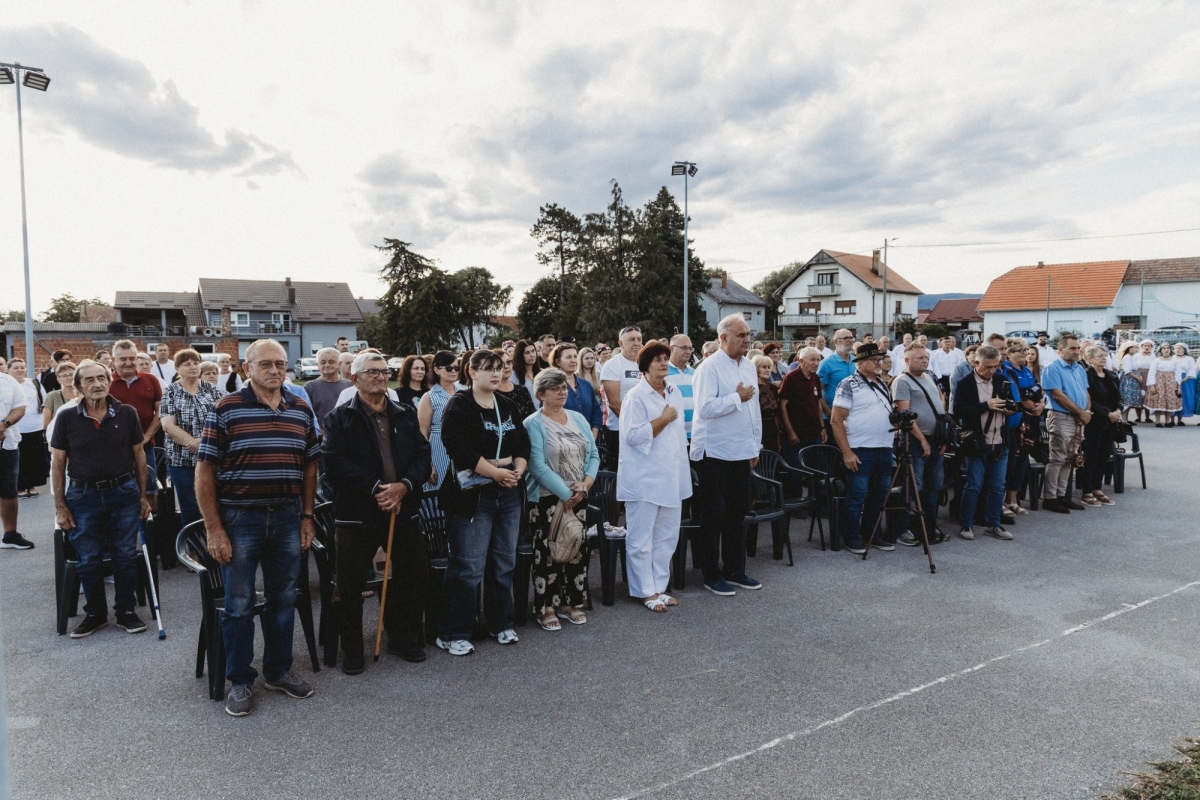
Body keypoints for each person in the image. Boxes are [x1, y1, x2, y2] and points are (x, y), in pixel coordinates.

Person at [196, 339, 320, 716]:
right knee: (239, 604)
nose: (274, 370)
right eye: (265, 364)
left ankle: (278, 670)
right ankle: (241, 680)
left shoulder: (300, 409)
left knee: (284, 599)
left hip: (286, 517)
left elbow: (310, 466)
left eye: (280, 364)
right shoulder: (227, 408)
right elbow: (204, 472)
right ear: (246, 367)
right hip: (240, 519)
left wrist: (307, 515)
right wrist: (214, 529)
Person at [322, 352, 432, 672]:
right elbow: (336, 464)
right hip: (357, 514)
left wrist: (404, 486)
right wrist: (377, 489)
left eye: (386, 372)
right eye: (373, 372)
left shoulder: (404, 413)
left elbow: (422, 458)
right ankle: (353, 650)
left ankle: (404, 638)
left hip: (403, 508)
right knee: (351, 584)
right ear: (354, 379)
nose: (381, 377)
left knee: (412, 576)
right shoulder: (339, 418)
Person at [436, 349, 530, 657]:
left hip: (508, 493)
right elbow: (457, 447)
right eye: (487, 368)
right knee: (468, 566)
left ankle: (499, 622)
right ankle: (453, 632)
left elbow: (522, 444)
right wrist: (496, 473)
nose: (495, 373)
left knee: (504, 562)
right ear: (471, 372)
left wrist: (516, 471)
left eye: (499, 367)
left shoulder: (508, 404)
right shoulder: (459, 405)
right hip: (472, 496)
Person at [50, 359, 152, 636]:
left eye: (102, 378)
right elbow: (58, 464)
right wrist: (61, 505)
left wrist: (143, 496)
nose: (97, 384)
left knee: (125, 555)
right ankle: (94, 614)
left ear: (109, 380)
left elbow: (139, 456)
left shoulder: (127, 413)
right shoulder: (66, 417)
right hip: (83, 495)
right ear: (79, 386)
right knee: (89, 558)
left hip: (123, 492)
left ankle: (126, 611)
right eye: (90, 380)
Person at [616, 343, 691, 612]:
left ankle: (659, 586)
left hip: (671, 474)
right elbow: (633, 436)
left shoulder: (674, 391)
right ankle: (644, 590)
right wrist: (663, 419)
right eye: (657, 360)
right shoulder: (636, 397)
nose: (663, 363)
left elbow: (679, 434)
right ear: (645, 366)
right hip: (644, 477)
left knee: (667, 536)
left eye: (664, 359)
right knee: (640, 537)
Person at [690, 315, 762, 594]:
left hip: (741, 450)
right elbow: (704, 409)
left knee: (737, 513)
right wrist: (736, 398)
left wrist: (754, 444)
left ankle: (735, 570)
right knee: (714, 515)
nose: (747, 339)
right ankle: (711, 573)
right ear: (723, 338)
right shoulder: (709, 368)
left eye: (748, 335)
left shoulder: (748, 366)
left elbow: (753, 410)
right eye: (741, 335)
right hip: (714, 452)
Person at [523, 368, 599, 629]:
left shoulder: (577, 418)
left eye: (564, 387)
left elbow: (594, 455)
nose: (562, 391)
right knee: (547, 554)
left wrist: (585, 486)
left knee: (576, 549)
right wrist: (566, 494)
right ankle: (545, 607)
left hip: (579, 497)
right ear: (541, 393)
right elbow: (537, 465)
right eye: (555, 388)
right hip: (546, 499)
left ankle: (571, 603)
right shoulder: (533, 423)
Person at [830, 342, 896, 554]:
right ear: (861, 363)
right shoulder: (847, 384)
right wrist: (847, 452)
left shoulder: (882, 384)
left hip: (884, 448)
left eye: (879, 359)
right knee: (857, 496)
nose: (879, 363)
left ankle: (872, 535)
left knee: (879, 495)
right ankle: (852, 537)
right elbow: (836, 420)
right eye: (874, 360)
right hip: (860, 449)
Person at [952, 345, 1016, 540]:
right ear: (975, 362)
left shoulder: (1001, 379)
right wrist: (985, 406)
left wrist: (1009, 409)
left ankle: (993, 524)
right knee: (974, 485)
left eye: (996, 366)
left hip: (1000, 440)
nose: (992, 371)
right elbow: (958, 411)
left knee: (998, 486)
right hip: (977, 442)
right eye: (988, 367)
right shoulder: (965, 383)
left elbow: (1012, 403)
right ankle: (966, 524)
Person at [891, 342, 948, 545]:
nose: (924, 360)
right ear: (906, 360)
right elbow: (905, 415)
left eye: (926, 357)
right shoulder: (902, 381)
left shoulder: (930, 377)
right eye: (919, 358)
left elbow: (941, 402)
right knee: (914, 486)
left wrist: (942, 437)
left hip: (935, 439)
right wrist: (922, 440)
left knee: (934, 485)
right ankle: (905, 528)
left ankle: (928, 527)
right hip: (915, 441)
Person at [160, 349, 223, 532]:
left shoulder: (211, 389)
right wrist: (192, 443)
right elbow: (167, 425)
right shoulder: (171, 391)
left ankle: (216, 546)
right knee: (190, 507)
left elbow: (222, 419)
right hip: (182, 460)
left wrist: (204, 445)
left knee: (215, 503)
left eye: (196, 363)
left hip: (212, 458)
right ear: (177, 368)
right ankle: (194, 551)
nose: (193, 367)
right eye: (187, 364)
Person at [108, 340, 163, 513]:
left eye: (132, 358)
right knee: (118, 493)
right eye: (122, 359)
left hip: (146, 447)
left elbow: (160, 412)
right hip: (115, 450)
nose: (128, 363)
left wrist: (145, 437)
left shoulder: (151, 380)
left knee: (149, 491)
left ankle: (149, 535)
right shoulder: (106, 382)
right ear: (113, 360)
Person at [1040, 335, 1091, 513]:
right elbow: (1058, 395)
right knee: (1057, 458)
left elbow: (1086, 393)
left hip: (1079, 418)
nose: (1077, 351)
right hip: (1062, 416)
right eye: (1072, 348)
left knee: (1070, 458)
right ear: (1060, 350)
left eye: (1078, 348)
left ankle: (1062, 495)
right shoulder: (1052, 368)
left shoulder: (1079, 369)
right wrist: (1080, 412)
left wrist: (1087, 413)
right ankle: (1050, 497)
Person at [999, 339, 1044, 516]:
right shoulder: (1006, 370)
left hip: (1030, 421)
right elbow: (1021, 395)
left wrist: (1039, 405)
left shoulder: (1026, 370)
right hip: (1016, 422)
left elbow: (1037, 392)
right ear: (1009, 353)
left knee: (1021, 461)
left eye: (1026, 350)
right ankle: (1002, 500)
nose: (1025, 353)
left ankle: (1012, 500)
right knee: (1010, 462)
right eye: (1020, 350)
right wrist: (1030, 401)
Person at [600, 326, 644, 471]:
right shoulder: (613, 365)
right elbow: (614, 403)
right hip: (621, 429)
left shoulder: (646, 363)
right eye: (631, 339)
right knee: (620, 474)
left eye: (639, 339)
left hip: (645, 428)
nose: (636, 343)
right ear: (620, 343)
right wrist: (636, 425)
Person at [1081, 345, 1119, 507]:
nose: (1103, 358)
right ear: (1089, 359)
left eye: (1105, 355)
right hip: (1094, 420)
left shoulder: (1111, 375)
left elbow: (1119, 396)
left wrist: (1118, 410)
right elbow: (1089, 399)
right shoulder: (1086, 376)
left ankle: (1097, 488)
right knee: (1092, 456)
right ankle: (1087, 491)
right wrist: (1106, 412)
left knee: (1104, 455)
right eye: (1099, 356)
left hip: (1110, 422)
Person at [417, 351, 458, 491]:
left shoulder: (463, 393)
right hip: (438, 449)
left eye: (456, 368)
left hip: (462, 448)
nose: (453, 371)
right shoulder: (429, 397)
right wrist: (427, 464)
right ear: (436, 370)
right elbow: (422, 432)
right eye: (449, 368)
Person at [778, 346, 825, 467]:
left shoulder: (816, 377)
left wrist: (822, 427)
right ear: (801, 361)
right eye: (812, 360)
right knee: (796, 470)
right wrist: (790, 432)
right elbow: (782, 406)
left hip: (814, 432)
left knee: (816, 468)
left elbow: (818, 403)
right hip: (797, 434)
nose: (816, 363)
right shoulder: (791, 378)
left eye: (818, 360)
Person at [7, 360, 48, 498]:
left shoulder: (34, 383)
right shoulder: (6, 385)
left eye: (22, 367)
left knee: (35, 459)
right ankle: (19, 487)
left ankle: (32, 485)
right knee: (20, 459)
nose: (20, 370)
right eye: (16, 368)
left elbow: (45, 401)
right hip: (16, 428)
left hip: (35, 427)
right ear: (8, 370)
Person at [0, 366, 31, 549]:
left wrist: (3, 425)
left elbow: (20, 407)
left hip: (7, 445)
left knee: (9, 490)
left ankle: (10, 534)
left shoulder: (7, 380)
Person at [550, 342, 602, 438]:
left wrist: (592, 438)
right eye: (568, 357)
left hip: (588, 441)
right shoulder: (551, 387)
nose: (573, 360)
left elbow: (596, 413)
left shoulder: (585, 385)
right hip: (562, 443)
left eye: (575, 356)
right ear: (558, 362)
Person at [817, 329, 856, 425]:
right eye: (846, 338)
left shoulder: (856, 361)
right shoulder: (826, 363)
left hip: (854, 416)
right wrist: (829, 413)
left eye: (851, 337)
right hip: (833, 418)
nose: (850, 340)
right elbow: (817, 392)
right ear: (835, 342)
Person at [305, 347, 353, 421]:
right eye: (323, 362)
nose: (327, 365)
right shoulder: (310, 388)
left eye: (331, 362)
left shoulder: (350, 385)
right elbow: (306, 414)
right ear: (317, 365)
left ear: (339, 364)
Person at [664, 334, 695, 441]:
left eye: (690, 348)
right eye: (684, 348)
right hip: (673, 435)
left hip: (695, 435)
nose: (688, 351)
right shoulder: (662, 372)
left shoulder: (694, 373)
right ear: (671, 349)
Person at [494, 347, 537, 422]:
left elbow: (533, 417)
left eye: (508, 362)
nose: (506, 366)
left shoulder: (522, 390)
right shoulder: (491, 393)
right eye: (501, 364)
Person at [1145, 343, 1182, 427]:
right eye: (1164, 348)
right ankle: (1157, 421)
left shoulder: (1174, 361)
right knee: (1159, 401)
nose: (1166, 350)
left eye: (1168, 348)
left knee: (1169, 401)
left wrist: (1178, 386)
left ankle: (1167, 421)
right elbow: (1152, 373)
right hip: (1159, 383)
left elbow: (1178, 374)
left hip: (1171, 383)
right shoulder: (1157, 360)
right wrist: (1152, 385)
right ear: (1161, 350)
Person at [753, 354, 782, 452]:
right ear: (756, 369)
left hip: (772, 429)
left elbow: (776, 413)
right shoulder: (752, 388)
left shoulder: (772, 388)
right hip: (757, 430)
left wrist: (778, 435)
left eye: (769, 367)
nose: (767, 370)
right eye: (764, 367)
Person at [41, 361, 79, 429]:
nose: (69, 378)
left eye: (71, 374)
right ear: (58, 380)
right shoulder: (52, 396)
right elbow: (46, 424)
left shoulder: (83, 395)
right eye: (64, 376)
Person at [578, 347, 608, 429]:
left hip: (597, 413)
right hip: (581, 413)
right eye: (587, 358)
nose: (590, 361)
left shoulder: (599, 375)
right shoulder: (576, 376)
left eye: (592, 358)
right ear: (581, 360)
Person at [1115, 342, 1144, 424]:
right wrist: (1137, 377)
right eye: (1135, 347)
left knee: (1129, 400)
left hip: (1132, 379)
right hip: (1128, 380)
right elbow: (1127, 371)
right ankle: (1124, 420)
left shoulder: (1132, 357)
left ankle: (1126, 419)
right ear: (1130, 348)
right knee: (1126, 399)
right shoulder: (1127, 357)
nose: (1136, 349)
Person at [513, 340, 542, 410]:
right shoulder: (513, 375)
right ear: (520, 355)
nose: (532, 355)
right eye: (527, 352)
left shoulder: (542, 373)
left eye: (533, 351)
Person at [1173, 343, 1196, 426]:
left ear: (1184, 350)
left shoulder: (1189, 359)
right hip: (1173, 380)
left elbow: (1191, 370)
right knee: (1173, 398)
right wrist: (1176, 380)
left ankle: (1180, 419)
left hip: (1185, 380)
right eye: (1176, 348)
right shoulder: (1172, 358)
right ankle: (1171, 418)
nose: (1177, 350)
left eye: (1180, 348)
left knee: (1183, 399)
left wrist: (1184, 379)